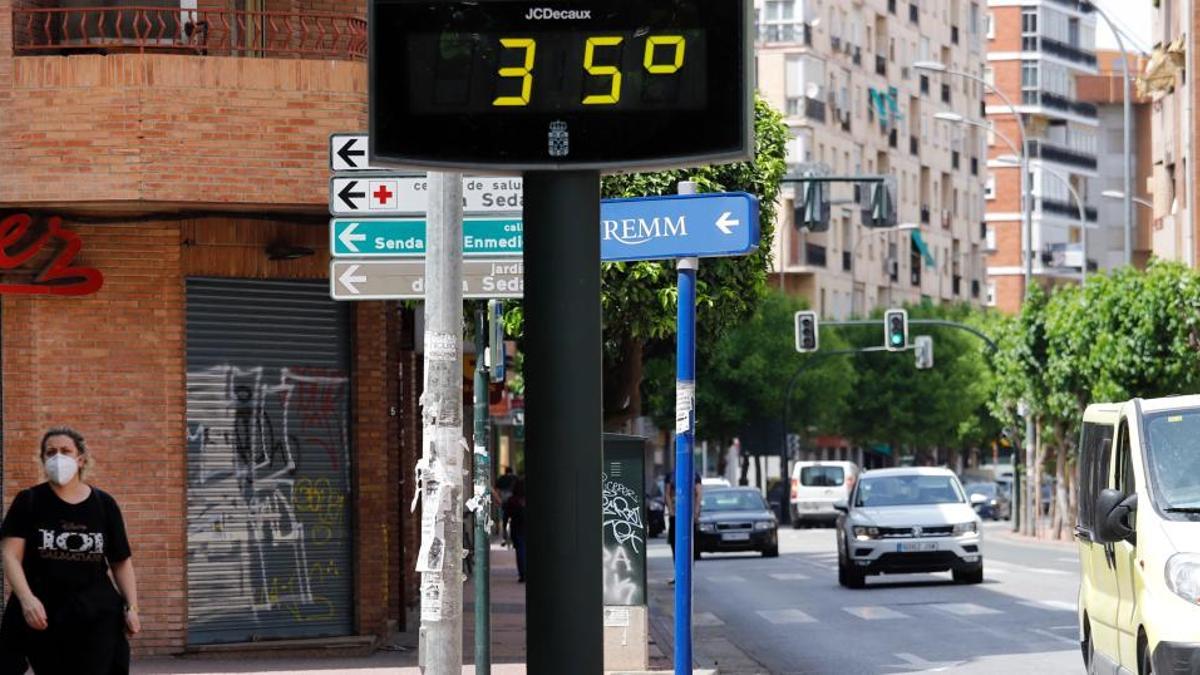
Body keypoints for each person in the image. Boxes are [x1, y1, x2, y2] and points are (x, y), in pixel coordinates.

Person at [0, 427, 141, 675]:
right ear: (42, 459)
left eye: (65, 451)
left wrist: (132, 608)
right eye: (50, 452)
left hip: (95, 613)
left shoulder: (104, 504)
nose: (58, 457)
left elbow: (121, 562)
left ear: (81, 459)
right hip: (44, 614)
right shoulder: (29, 500)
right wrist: (27, 599)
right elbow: (10, 555)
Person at [665, 473, 702, 584]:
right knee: (676, 544)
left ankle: (687, 573)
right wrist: (671, 511)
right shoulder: (671, 476)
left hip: (688, 516)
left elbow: (698, 493)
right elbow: (667, 494)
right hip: (677, 516)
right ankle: (680, 574)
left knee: (689, 545)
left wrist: (696, 512)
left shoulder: (694, 475)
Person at [503, 479, 526, 583]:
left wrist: (504, 529)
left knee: (520, 550)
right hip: (525, 526)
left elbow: (506, 516)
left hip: (516, 527)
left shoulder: (512, 500)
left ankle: (522, 574)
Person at [495, 467, 517, 546]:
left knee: (504, 520)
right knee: (514, 521)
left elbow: (497, 490)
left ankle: (504, 538)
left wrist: (498, 500)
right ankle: (513, 539)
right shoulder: (515, 478)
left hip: (504, 502)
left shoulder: (501, 478)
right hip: (514, 504)